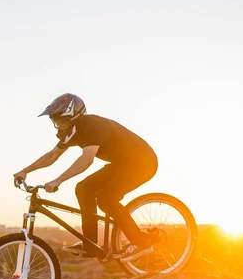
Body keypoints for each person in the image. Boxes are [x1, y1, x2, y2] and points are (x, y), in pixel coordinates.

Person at [13, 93, 158, 258]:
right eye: (55, 121)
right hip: (122, 164)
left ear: (75, 116)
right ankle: (90, 243)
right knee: (83, 188)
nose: (58, 125)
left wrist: (58, 180)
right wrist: (25, 171)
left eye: (62, 120)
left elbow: (86, 159)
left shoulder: (92, 125)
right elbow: (52, 156)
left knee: (106, 199)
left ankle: (141, 242)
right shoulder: (71, 132)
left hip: (143, 162)